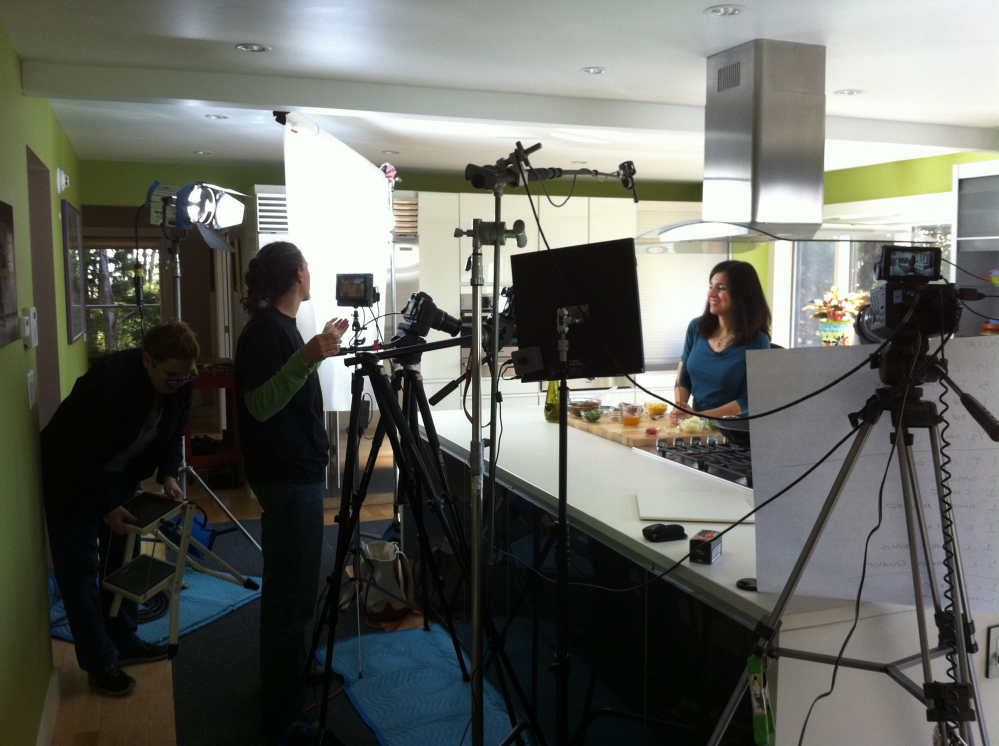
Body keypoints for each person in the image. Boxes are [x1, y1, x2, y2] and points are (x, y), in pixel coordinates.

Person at [41, 319, 200, 696]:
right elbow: (80, 453)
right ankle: (100, 662)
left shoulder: (181, 380)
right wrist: (109, 504)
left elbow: (174, 429)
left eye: (186, 376)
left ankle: (124, 639)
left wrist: (169, 474)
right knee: (81, 572)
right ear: (147, 360)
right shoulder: (109, 383)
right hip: (71, 476)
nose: (179, 384)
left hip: (119, 472)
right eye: (173, 376)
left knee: (125, 558)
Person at [234, 241, 349, 742]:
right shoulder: (265, 331)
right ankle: (283, 712)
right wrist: (306, 357)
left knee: (295, 584)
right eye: (308, 266)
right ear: (298, 274)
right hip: (286, 476)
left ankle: (292, 675)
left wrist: (314, 347)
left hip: (294, 471)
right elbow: (259, 405)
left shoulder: (282, 328)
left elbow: (286, 389)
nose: (311, 272)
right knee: (292, 595)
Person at [670, 260, 771, 423]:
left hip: (734, 431)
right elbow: (683, 376)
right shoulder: (696, 328)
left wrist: (699, 416)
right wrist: (681, 407)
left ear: (742, 294)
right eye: (711, 286)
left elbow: (748, 401)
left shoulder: (758, 341)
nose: (711, 294)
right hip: (697, 427)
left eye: (721, 288)